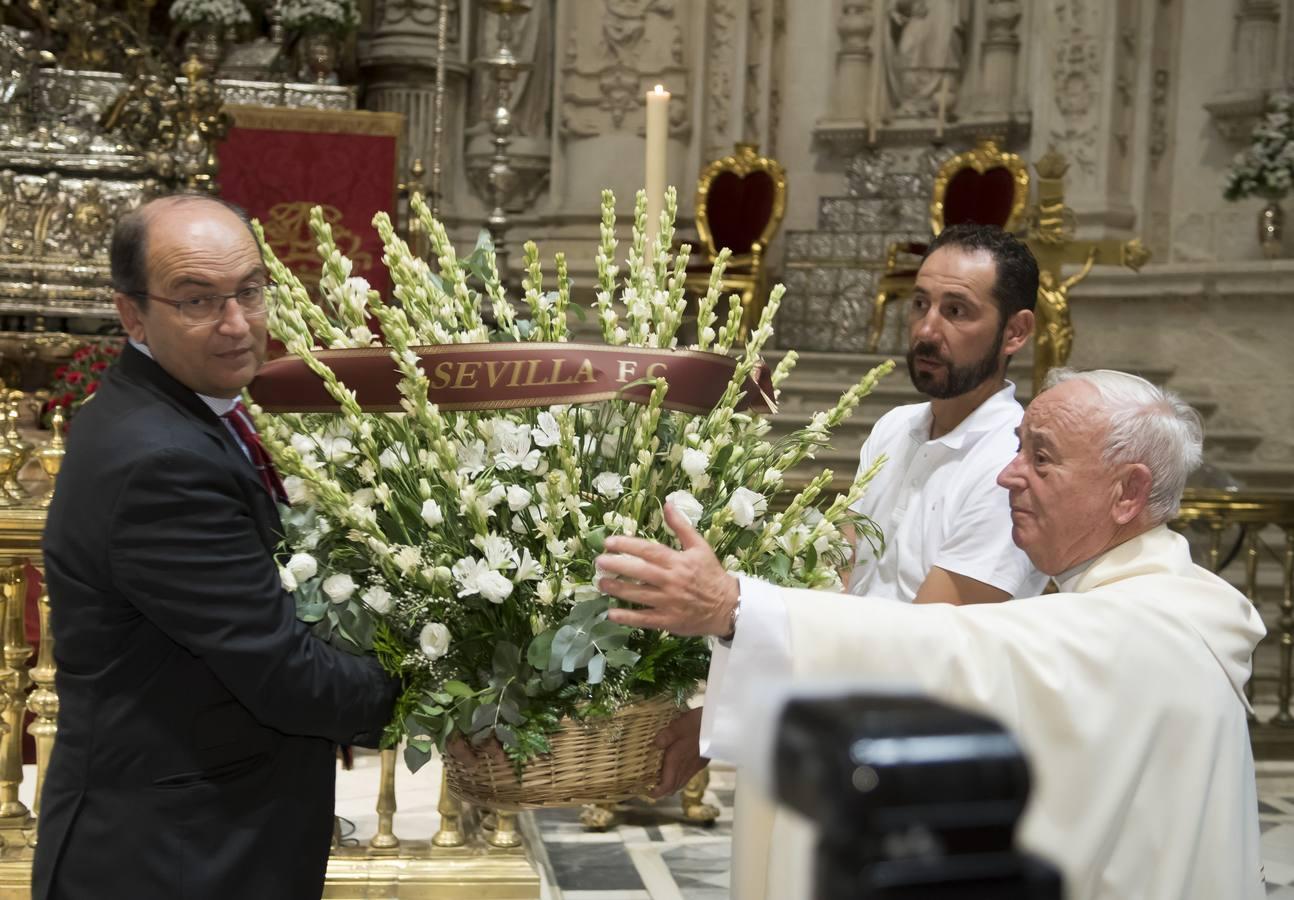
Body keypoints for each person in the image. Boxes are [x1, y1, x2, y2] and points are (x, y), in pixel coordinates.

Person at [597, 368, 1266, 900]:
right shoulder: (1148, 600)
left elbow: (954, 649)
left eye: (1042, 458)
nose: (1009, 474)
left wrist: (737, 607)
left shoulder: (1142, 628)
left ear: (1127, 492)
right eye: (1017, 451)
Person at [36, 194, 399, 899]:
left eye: (250, 292)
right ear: (133, 314)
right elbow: (283, 672)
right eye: (197, 301)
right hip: (174, 855)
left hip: (202, 833)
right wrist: (455, 695)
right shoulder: (158, 461)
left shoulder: (187, 414)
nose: (238, 325)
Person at [847, 222, 1048, 606]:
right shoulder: (893, 428)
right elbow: (835, 566)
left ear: (1015, 332)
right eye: (921, 303)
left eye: (956, 311)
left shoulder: (1012, 466)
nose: (926, 330)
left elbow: (934, 635)